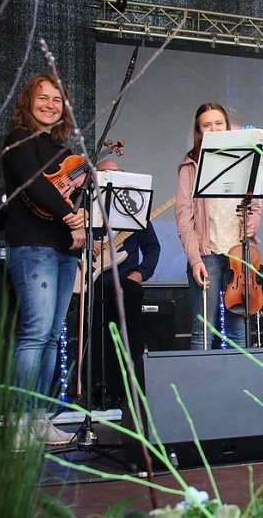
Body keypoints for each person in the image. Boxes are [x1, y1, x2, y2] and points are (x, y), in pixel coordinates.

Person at [3, 72, 85, 445]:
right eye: (43, 98)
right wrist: (69, 214)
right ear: (29, 102)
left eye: (57, 100)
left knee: (53, 336)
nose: (50, 105)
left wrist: (80, 213)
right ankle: (19, 423)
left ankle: (39, 420)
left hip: (65, 248)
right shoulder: (19, 140)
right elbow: (35, 186)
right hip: (32, 245)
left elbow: (75, 198)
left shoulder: (65, 154)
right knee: (35, 333)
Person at [175, 103, 263, 349]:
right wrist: (195, 260)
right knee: (203, 330)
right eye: (207, 125)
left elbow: (254, 207)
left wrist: (252, 224)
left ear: (227, 126)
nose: (214, 128)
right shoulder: (190, 166)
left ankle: (240, 386)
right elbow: (184, 217)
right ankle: (201, 387)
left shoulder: (244, 161)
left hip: (240, 256)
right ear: (199, 132)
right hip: (208, 255)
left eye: (218, 123)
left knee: (238, 330)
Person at [90, 158, 161, 403]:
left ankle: (130, 391)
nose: (111, 178)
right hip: (94, 283)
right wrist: (90, 246)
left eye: (116, 174)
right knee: (98, 336)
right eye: (105, 174)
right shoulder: (86, 209)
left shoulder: (134, 208)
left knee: (132, 335)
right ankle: (96, 389)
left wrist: (141, 273)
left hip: (126, 284)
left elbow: (152, 247)